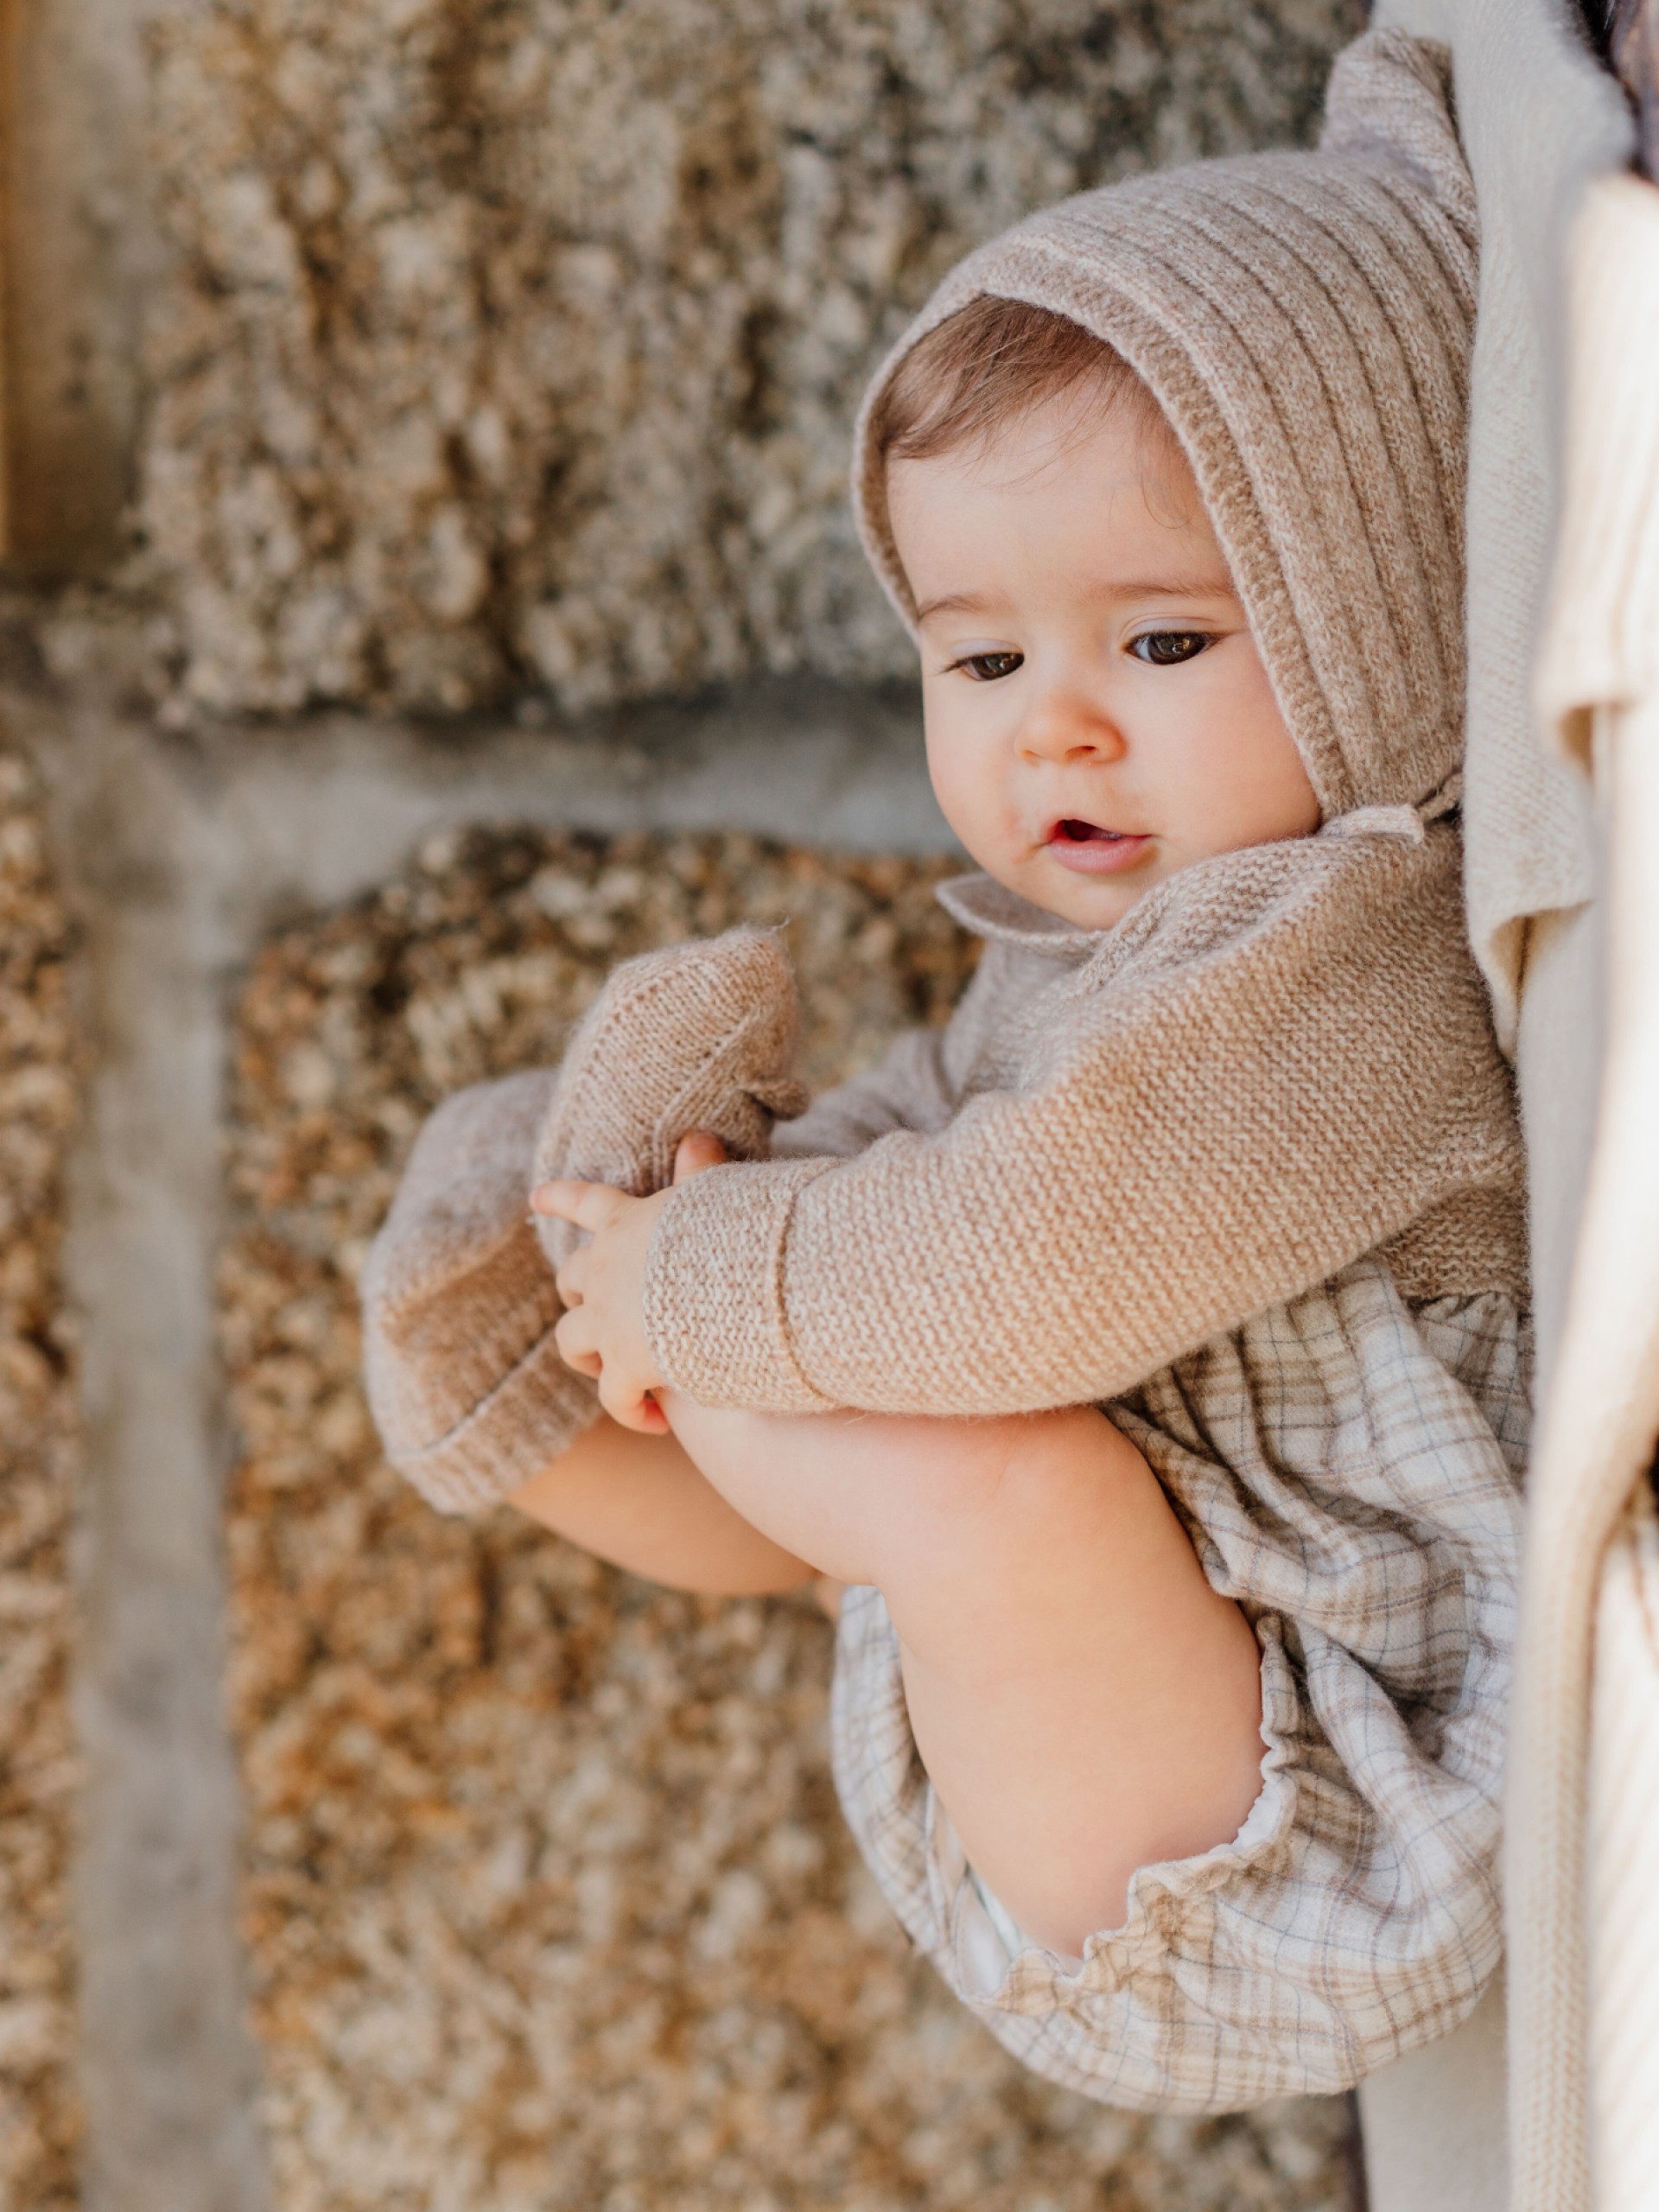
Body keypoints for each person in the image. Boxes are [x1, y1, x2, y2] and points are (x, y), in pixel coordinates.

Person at [361, 29, 1530, 2112]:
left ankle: (670, 1343)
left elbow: (1037, 1247)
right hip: (1124, 1714)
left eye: (1160, 644)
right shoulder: (1072, 987)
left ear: (1381, 615)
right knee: (861, 1387)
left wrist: (720, 1276)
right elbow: (945, 1168)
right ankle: (523, 1380)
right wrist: (646, 1244)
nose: (1051, 731)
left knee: (971, 1438)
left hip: (1328, 1782)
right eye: (981, 659)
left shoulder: (1352, 954)